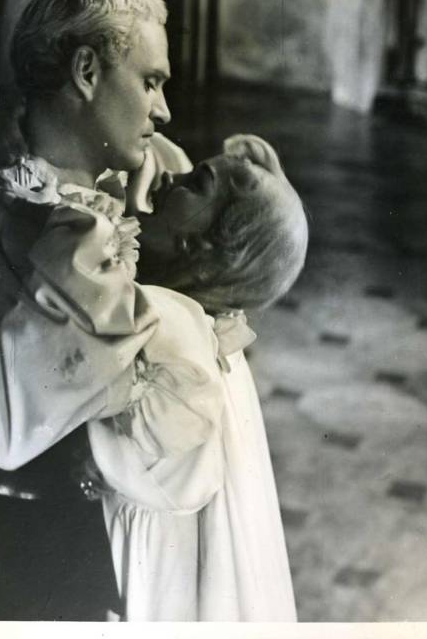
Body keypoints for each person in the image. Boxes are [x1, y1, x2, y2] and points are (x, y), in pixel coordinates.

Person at [0, 0, 192, 620]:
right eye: (150, 82)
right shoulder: (11, 219)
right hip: (47, 559)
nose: (163, 110)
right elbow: (3, 429)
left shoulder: (121, 181)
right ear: (86, 72)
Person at [85, 134, 308, 621]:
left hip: (143, 579)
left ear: (203, 248)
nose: (171, 175)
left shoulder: (165, 332)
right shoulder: (204, 324)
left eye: (195, 183)